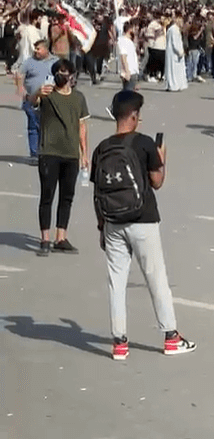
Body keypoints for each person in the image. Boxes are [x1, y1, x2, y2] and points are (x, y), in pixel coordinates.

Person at [92, 89, 195, 360]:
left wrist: (102, 227)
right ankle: (171, 337)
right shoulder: (145, 143)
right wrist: (162, 157)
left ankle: (119, 343)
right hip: (143, 219)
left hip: (112, 221)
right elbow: (157, 182)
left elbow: (97, 192)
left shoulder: (102, 148)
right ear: (135, 116)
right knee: (156, 278)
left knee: (116, 282)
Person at [30, 59, 89, 256]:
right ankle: (45, 239)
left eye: (66, 72)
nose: (63, 75)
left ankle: (60, 237)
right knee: (47, 197)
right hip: (49, 152)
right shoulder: (47, 94)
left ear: (72, 75)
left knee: (67, 197)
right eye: (60, 72)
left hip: (71, 154)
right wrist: (38, 92)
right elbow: (31, 101)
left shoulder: (79, 98)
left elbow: (82, 127)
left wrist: (84, 154)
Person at [15, 39, 59, 163]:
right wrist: (21, 90)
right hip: (31, 98)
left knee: (48, 126)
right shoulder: (29, 62)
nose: (36, 51)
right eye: (35, 48)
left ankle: (47, 152)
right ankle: (35, 154)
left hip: (50, 100)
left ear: (46, 49)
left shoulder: (55, 62)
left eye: (38, 48)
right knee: (33, 126)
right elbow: (20, 75)